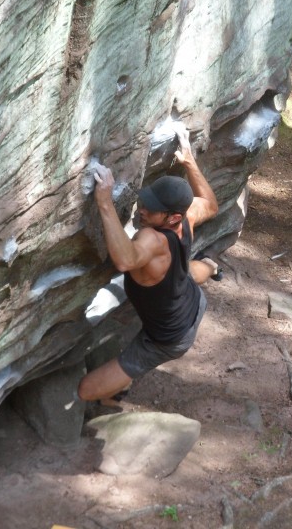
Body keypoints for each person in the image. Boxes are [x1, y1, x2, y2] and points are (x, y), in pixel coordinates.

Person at [77, 127, 219, 404]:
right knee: (187, 273)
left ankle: (114, 396)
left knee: (86, 390)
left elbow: (125, 259)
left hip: (166, 339)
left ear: (172, 217)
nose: (142, 210)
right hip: (192, 301)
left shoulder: (152, 240)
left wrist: (104, 202)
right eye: (145, 202)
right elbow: (211, 205)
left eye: (151, 209)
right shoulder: (187, 217)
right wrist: (189, 161)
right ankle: (211, 267)